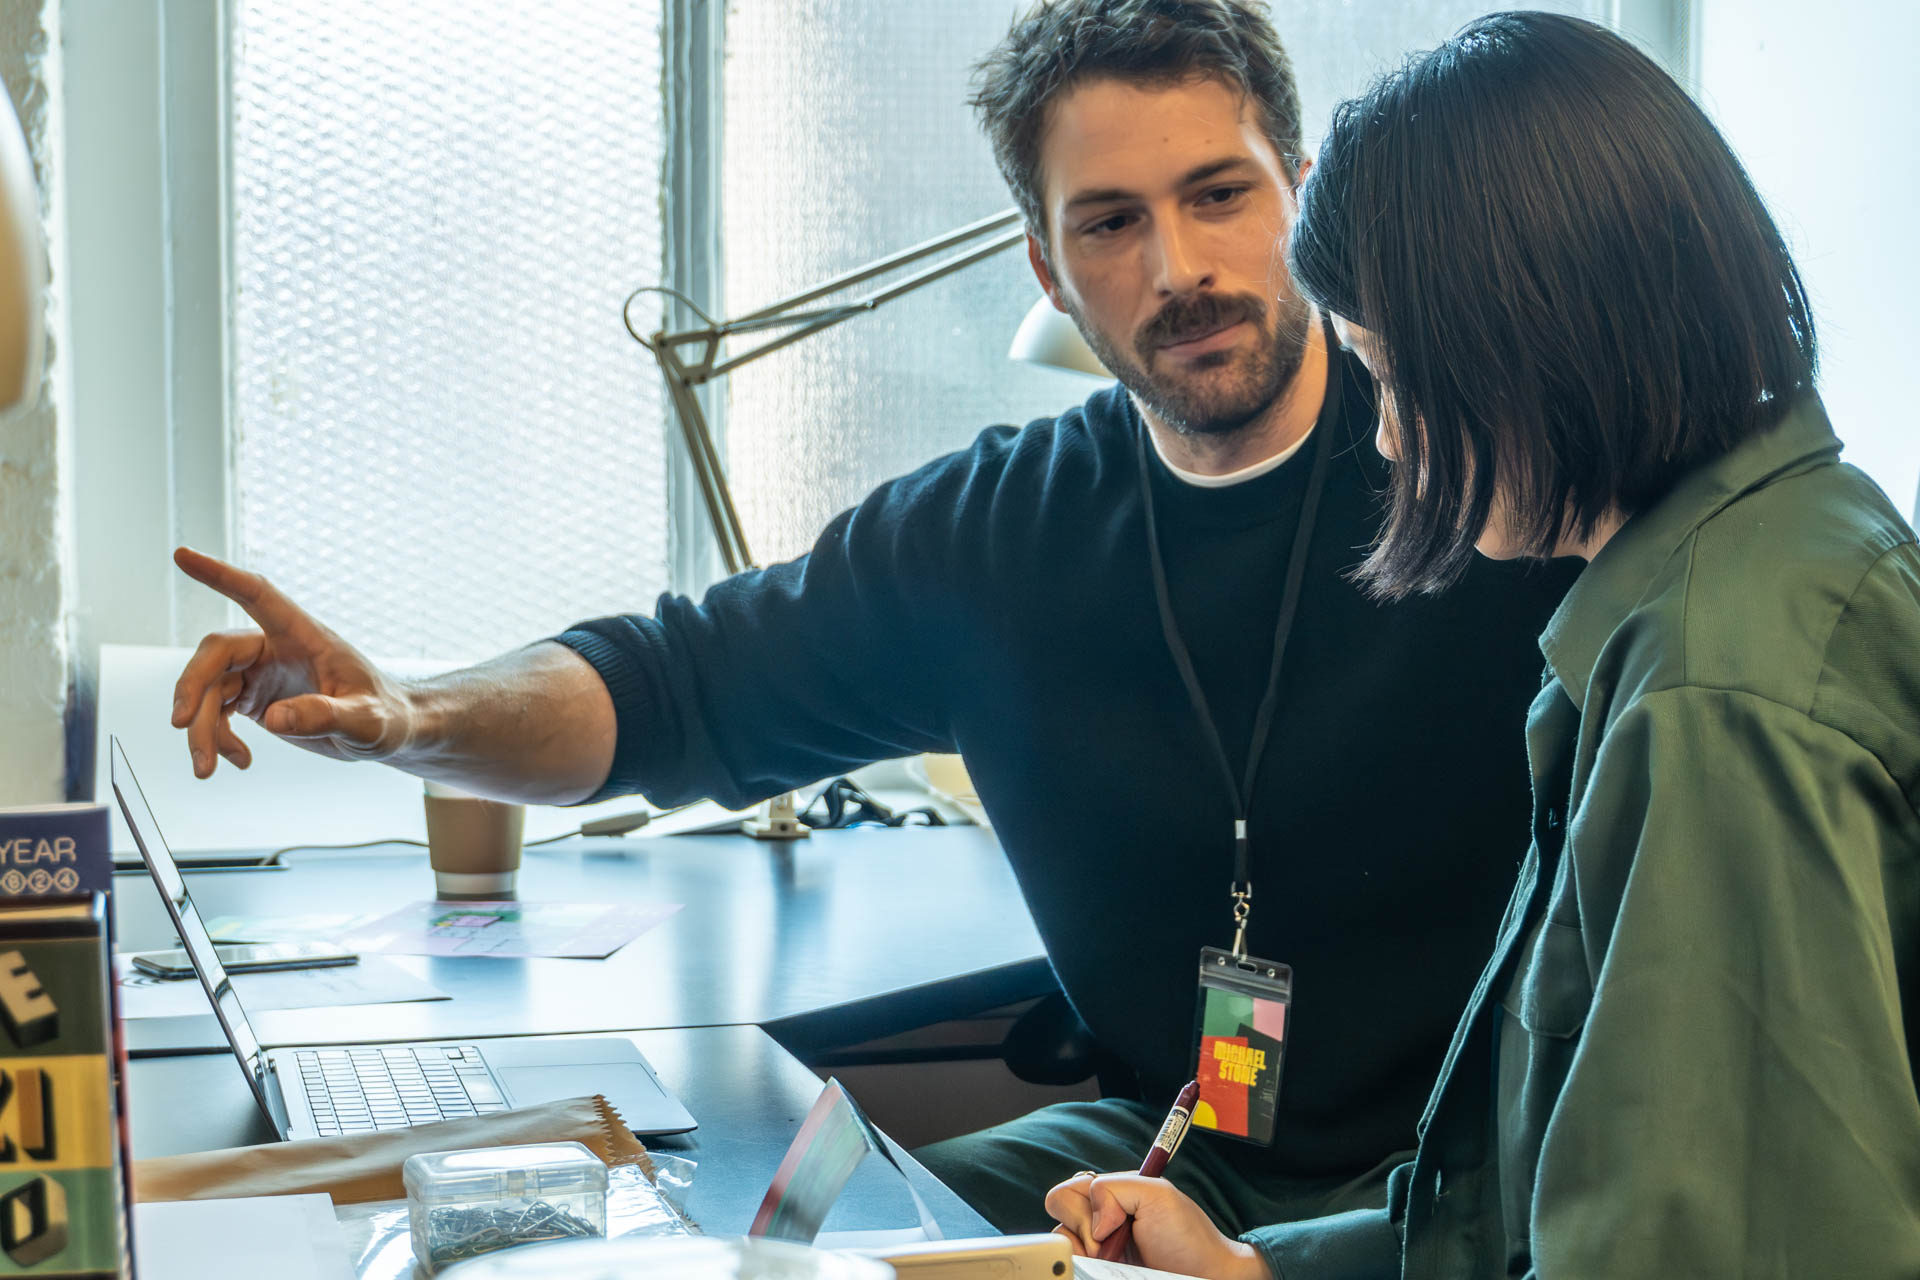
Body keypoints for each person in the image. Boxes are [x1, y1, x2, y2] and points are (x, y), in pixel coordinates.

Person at [164, 0, 1576, 1238]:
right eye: (1111, 221)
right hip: (1165, 1150)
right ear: (1046, 266)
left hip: (1463, 1189)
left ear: (1302, 193)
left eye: (1221, 195)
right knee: (799, 1232)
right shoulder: (997, 533)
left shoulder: (1495, 477)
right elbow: (677, 686)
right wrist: (409, 717)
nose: (1176, 268)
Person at [1045, 11, 1920, 1277]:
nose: (1391, 441)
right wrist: (1254, 1267)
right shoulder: (1760, 561)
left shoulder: (1710, 692)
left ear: (1526, 344)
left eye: (1391, 378)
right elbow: (1524, 1207)